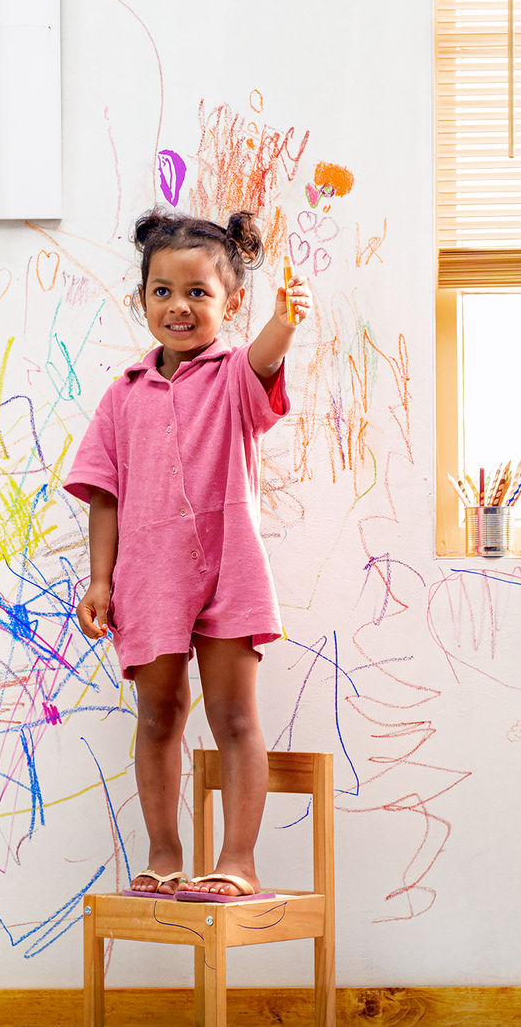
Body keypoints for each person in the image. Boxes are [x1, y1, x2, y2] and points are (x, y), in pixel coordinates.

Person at [63, 209, 311, 900]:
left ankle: (238, 859)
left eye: (199, 293)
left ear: (229, 304)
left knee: (234, 717)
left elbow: (265, 357)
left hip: (230, 568)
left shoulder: (235, 375)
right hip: (150, 577)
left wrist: (287, 319)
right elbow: (104, 495)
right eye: (163, 291)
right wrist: (100, 581)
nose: (180, 306)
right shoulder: (123, 395)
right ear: (141, 299)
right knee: (157, 715)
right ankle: (164, 851)